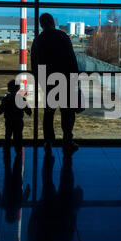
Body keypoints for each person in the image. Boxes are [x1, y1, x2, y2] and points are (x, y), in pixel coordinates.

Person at [31, 13, 79, 152]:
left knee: (49, 114)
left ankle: (48, 141)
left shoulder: (39, 40)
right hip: (65, 80)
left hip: (48, 82)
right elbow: (72, 59)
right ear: (53, 22)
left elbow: (35, 63)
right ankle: (67, 139)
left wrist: (40, 81)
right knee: (68, 113)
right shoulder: (63, 37)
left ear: (41, 24)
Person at [0, 80, 32, 153]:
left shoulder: (6, 99)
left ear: (8, 89)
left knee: (8, 135)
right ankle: (18, 151)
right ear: (18, 89)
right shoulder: (22, 99)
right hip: (19, 120)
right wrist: (28, 112)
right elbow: (28, 111)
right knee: (18, 136)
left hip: (9, 120)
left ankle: (6, 150)